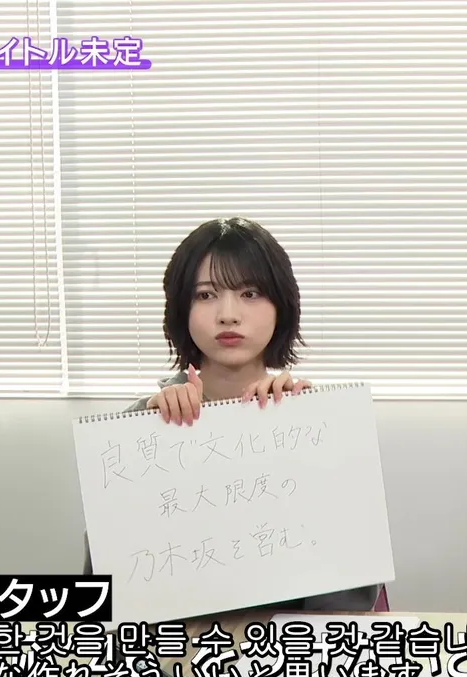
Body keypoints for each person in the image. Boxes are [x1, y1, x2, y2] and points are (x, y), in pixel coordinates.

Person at [82, 216, 381, 613]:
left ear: (281, 306)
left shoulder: (314, 420)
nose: (228, 314)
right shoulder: (138, 424)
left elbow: (346, 605)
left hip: (285, 644)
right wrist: (149, 437)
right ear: (181, 309)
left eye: (250, 293)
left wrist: (315, 449)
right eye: (205, 295)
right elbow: (106, 591)